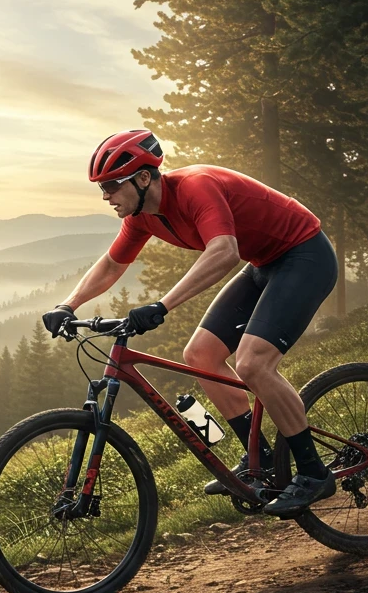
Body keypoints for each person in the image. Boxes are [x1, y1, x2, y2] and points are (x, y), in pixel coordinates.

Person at [41, 129, 339, 517]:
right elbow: (113, 264)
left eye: (112, 186)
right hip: (264, 263)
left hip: (304, 255)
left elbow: (224, 251)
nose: (105, 196)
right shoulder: (142, 217)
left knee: (253, 363)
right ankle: (261, 462)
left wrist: (162, 306)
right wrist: (68, 304)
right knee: (200, 354)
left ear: (143, 178)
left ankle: (314, 473)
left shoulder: (196, 187)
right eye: (102, 187)